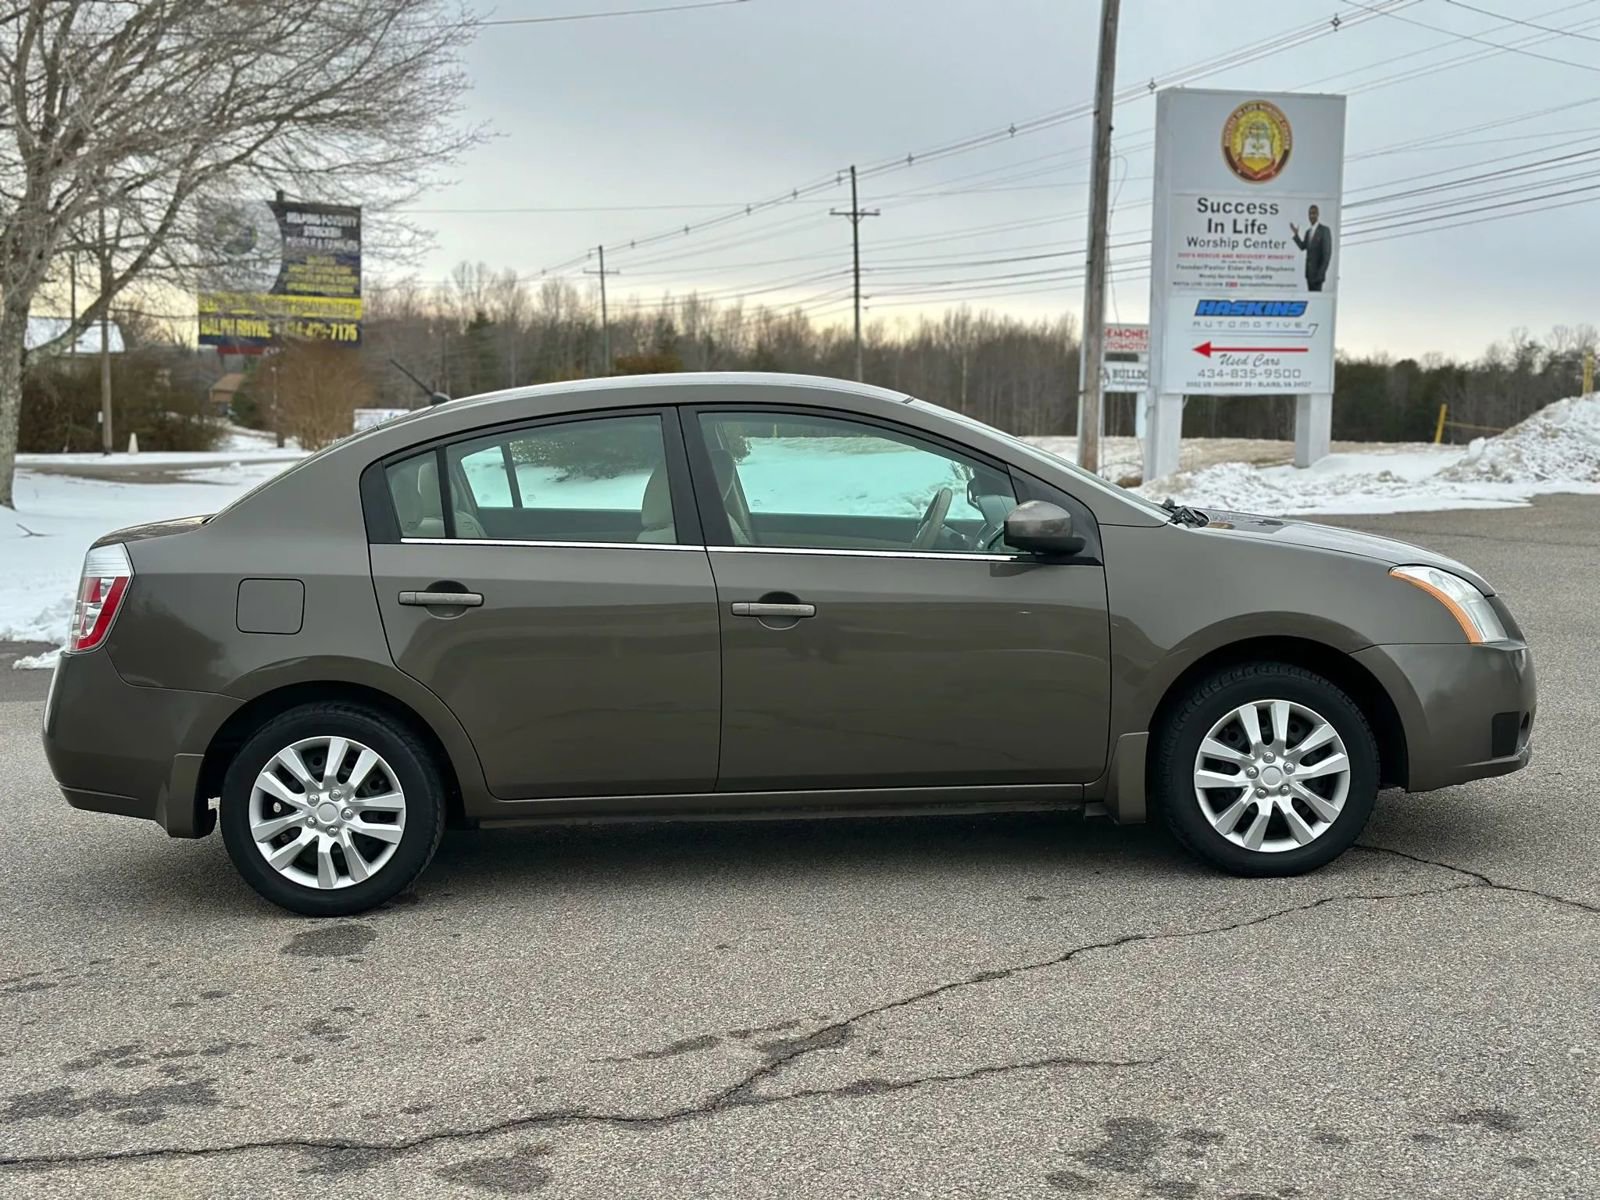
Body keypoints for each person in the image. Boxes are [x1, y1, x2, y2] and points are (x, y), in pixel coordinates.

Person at [1289, 204, 1334, 292]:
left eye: (1313, 213)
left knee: (1317, 300)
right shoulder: (1308, 232)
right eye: (1310, 214)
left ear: (1318, 214)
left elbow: (1327, 255)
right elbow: (1303, 247)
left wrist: (1321, 274)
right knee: (1311, 299)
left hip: (1318, 275)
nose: (1311, 216)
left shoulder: (1324, 230)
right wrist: (1296, 235)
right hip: (1309, 274)